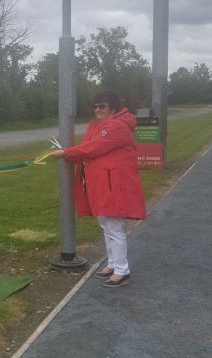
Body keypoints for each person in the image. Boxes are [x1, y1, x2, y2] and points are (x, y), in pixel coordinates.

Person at [50, 90, 146, 288]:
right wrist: (70, 153)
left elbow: (93, 148)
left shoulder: (116, 126)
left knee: (114, 228)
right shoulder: (99, 125)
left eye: (102, 106)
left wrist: (65, 153)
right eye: (95, 106)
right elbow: (89, 148)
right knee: (106, 225)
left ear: (113, 107)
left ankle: (122, 271)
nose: (97, 110)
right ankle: (113, 264)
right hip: (103, 183)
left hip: (113, 184)